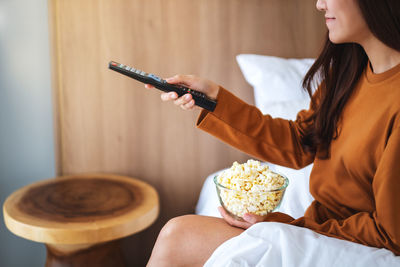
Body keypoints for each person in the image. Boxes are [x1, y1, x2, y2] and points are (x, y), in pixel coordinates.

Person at [146, 0, 400, 266]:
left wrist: (290, 226)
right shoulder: (349, 72)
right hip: (321, 229)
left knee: (178, 236)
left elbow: (390, 233)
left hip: (361, 247)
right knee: (176, 235)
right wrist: (214, 99)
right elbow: (301, 142)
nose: (319, 4)